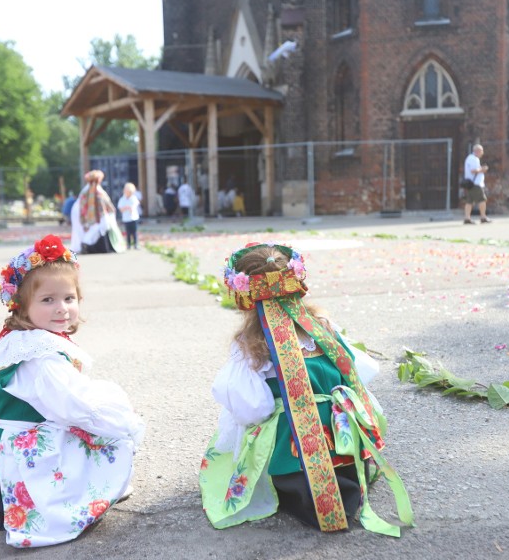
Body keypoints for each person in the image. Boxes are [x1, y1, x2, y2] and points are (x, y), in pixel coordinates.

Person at [199, 243, 414, 536]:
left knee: (264, 427)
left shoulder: (250, 344)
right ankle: (349, 481)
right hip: (345, 440)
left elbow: (254, 407)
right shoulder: (322, 325)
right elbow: (362, 371)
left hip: (297, 457)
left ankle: (299, 490)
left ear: (243, 295)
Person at [0, 234, 145, 548]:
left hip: (6, 454)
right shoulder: (42, 358)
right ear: (22, 305)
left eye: (69, 298)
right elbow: (76, 407)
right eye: (48, 300)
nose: (62, 309)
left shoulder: (24, 340)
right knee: (113, 441)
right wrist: (126, 426)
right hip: (19, 464)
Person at [70, 170, 126, 254]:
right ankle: (86, 246)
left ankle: (85, 246)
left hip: (85, 215)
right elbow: (103, 204)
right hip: (92, 216)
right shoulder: (95, 190)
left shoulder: (87, 190)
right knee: (96, 230)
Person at [463, 144, 491, 224]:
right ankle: (483, 217)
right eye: (481, 151)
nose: (482, 153)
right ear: (477, 151)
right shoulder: (473, 159)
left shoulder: (470, 158)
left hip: (471, 184)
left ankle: (467, 218)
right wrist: (483, 169)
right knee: (482, 200)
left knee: (469, 201)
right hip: (476, 184)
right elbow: (473, 170)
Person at [117, 182, 141, 250]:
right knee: (128, 232)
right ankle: (128, 245)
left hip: (134, 218)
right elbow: (121, 208)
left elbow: (133, 207)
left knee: (134, 232)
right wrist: (126, 208)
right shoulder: (122, 199)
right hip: (126, 218)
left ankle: (136, 244)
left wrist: (128, 208)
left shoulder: (134, 198)